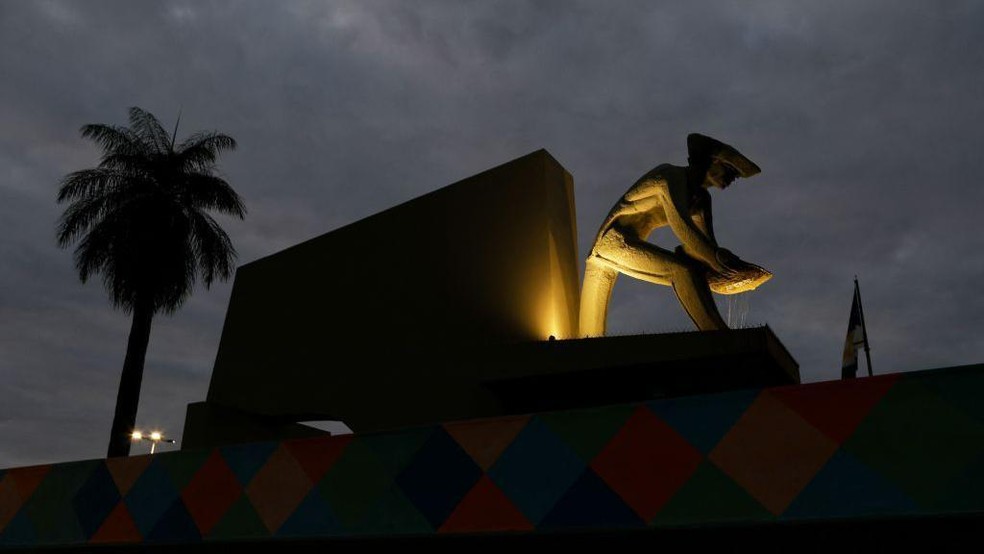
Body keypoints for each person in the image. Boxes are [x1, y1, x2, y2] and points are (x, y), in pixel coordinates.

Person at [579, 133, 771, 336]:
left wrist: (730, 271)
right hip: (611, 243)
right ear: (711, 162)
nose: (733, 177)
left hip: (628, 244)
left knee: (693, 268)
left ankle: (720, 336)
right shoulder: (669, 177)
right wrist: (718, 261)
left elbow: (704, 249)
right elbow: (681, 225)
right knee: (682, 271)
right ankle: (719, 337)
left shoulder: (701, 200)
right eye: (729, 169)